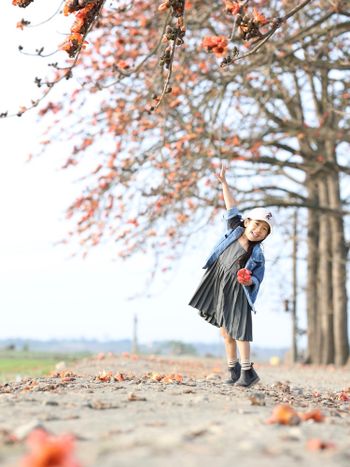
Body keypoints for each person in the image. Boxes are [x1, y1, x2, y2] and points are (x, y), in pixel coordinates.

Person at [188, 164, 273, 388]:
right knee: (225, 331)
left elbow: (258, 278)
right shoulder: (235, 229)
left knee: (240, 331)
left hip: (237, 290)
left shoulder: (256, 255)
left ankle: (248, 372)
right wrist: (224, 183)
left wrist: (249, 279)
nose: (258, 231)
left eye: (264, 230)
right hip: (219, 283)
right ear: (247, 222)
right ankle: (233, 369)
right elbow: (231, 206)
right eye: (256, 225)